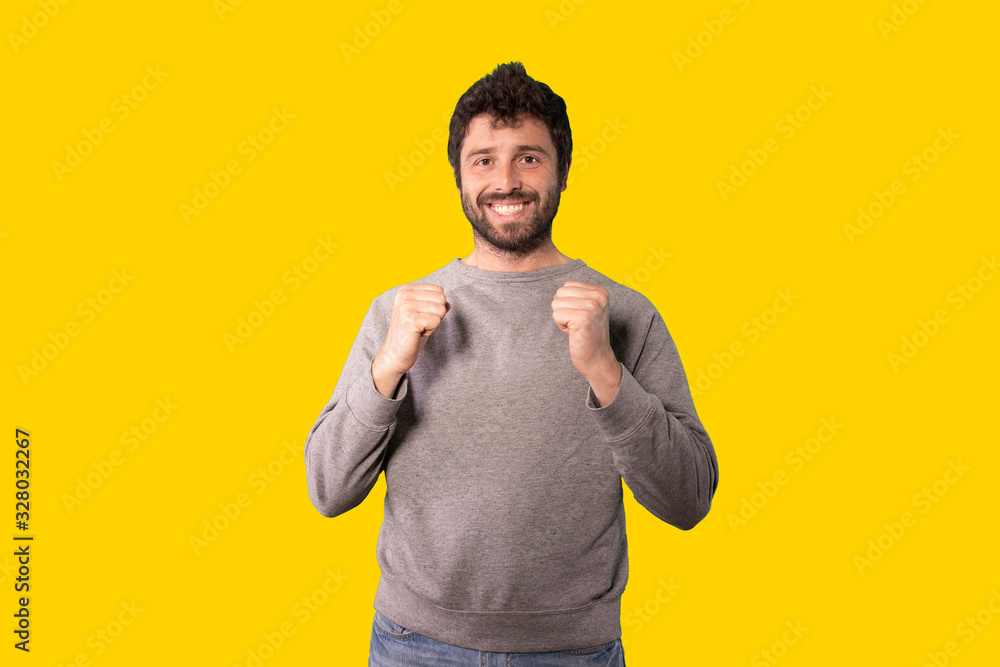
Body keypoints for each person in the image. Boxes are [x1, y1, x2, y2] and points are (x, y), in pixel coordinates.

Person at [303, 61, 719, 666]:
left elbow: (689, 500)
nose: (506, 180)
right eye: (483, 160)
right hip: (413, 647)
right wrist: (390, 365)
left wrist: (606, 373)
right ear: (458, 176)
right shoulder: (396, 314)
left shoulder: (625, 314)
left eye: (528, 157)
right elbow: (328, 489)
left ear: (563, 171)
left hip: (573, 652)